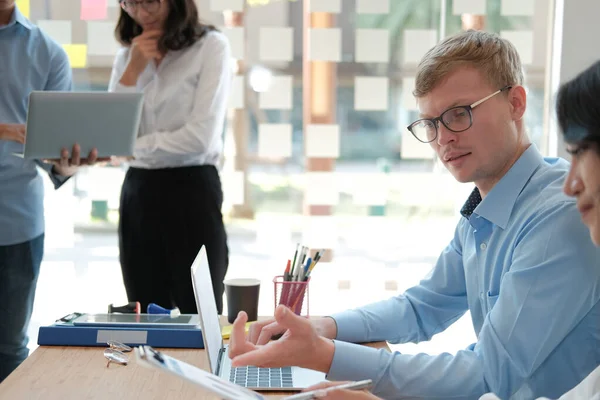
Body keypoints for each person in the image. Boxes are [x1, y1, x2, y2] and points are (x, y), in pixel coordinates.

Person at [228, 30, 600, 400]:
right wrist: (325, 327)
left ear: (515, 103)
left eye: (459, 114)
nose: (443, 138)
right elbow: (421, 308)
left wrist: (325, 355)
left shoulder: (561, 218)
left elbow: (489, 373)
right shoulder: (487, 207)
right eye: (431, 123)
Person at [109, 0, 232, 314]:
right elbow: (113, 133)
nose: (141, 12)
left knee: (200, 312)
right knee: (144, 311)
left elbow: (199, 137)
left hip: (192, 188)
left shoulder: (210, 48)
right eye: (129, 3)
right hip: (139, 190)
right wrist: (132, 71)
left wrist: (132, 147)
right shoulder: (127, 56)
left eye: (149, 1)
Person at [0, 0, 100, 382]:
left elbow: (53, 158)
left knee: (9, 350)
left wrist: (70, 161)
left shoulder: (47, 52)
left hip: (17, 225)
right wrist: (7, 129)